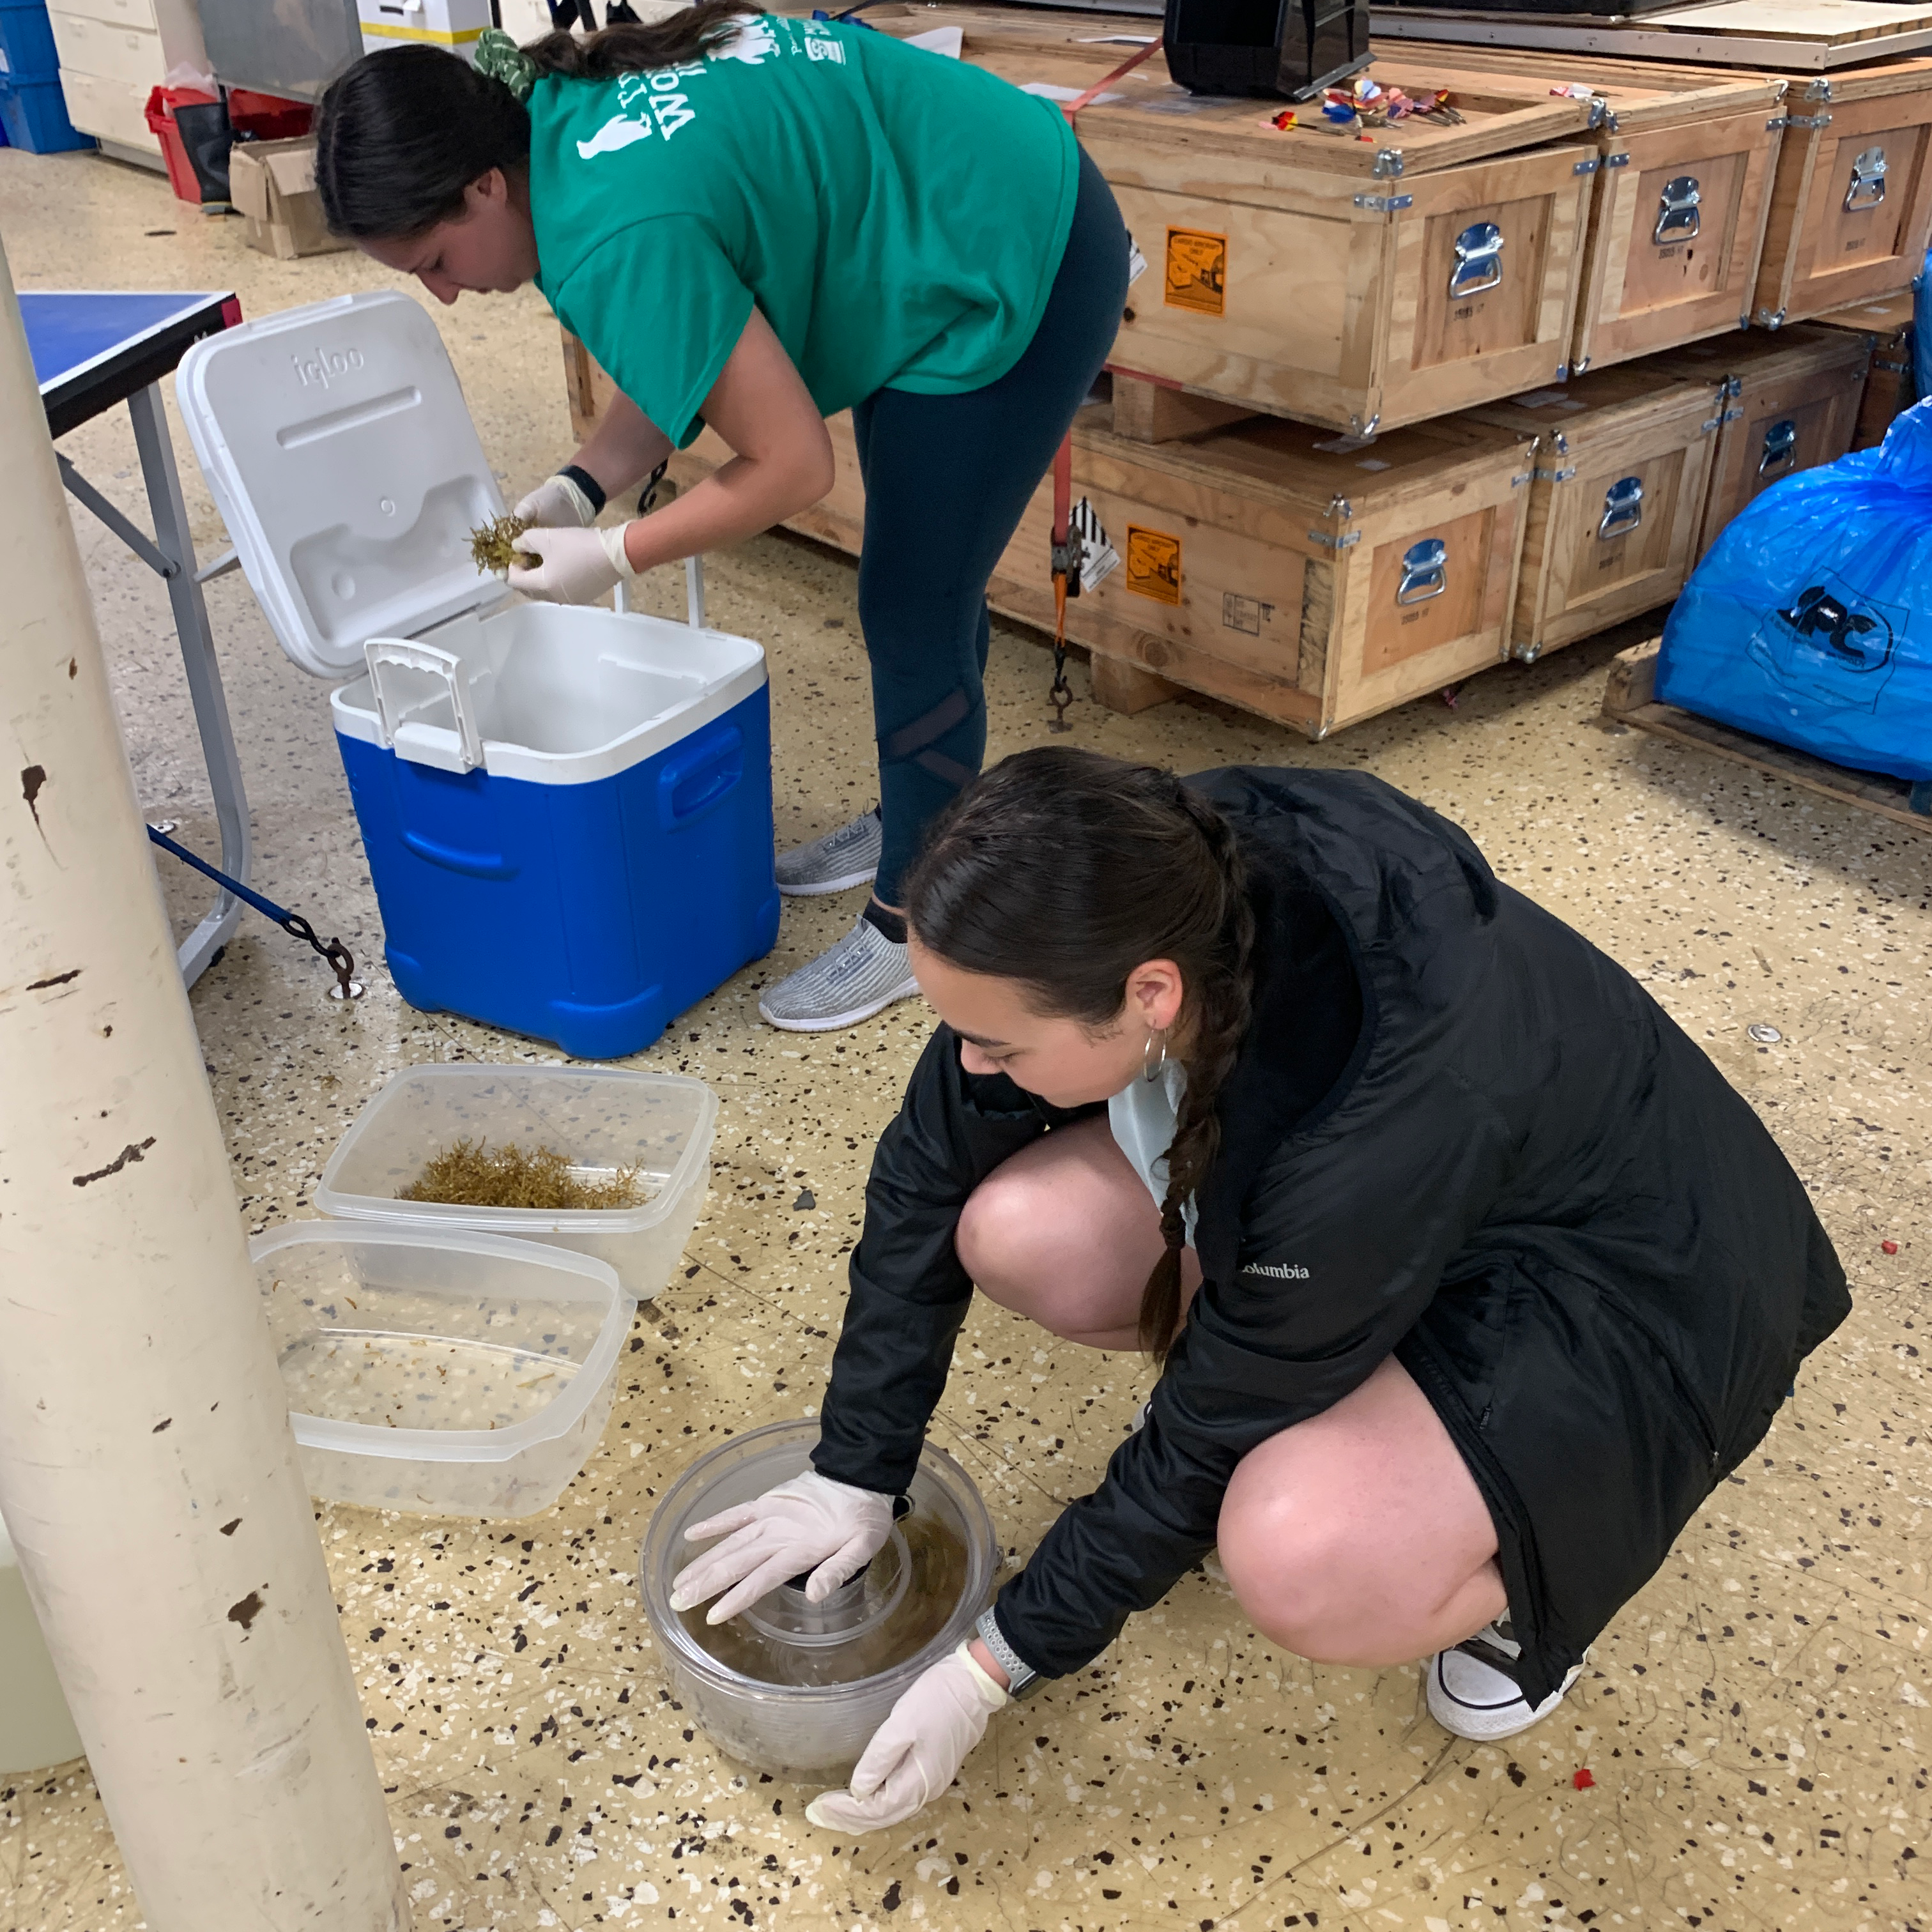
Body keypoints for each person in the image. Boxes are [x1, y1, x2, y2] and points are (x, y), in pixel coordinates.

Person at [668, 748, 1850, 1832]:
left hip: (1624, 1273)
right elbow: (928, 1170)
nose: (967, 1065)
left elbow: (1205, 1437)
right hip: (1399, 1201)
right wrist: (855, 1466)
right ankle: (1328, 1370)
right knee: (1018, 1230)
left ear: (1150, 997)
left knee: (1297, 1548)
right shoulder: (1140, 878)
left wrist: (993, 1668)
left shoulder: (1364, 1129)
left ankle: (1515, 1584)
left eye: (999, 1046)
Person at [312, 8, 1127, 1032]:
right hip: (933, 206)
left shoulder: (611, 230)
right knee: (927, 571)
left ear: (485, 185)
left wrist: (612, 553)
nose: (447, 295)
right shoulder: (545, 119)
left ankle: (920, 920)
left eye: (434, 259)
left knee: (917, 599)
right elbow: (694, 339)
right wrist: (580, 481)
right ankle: (927, 821)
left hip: (1014, 245)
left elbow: (791, 466)